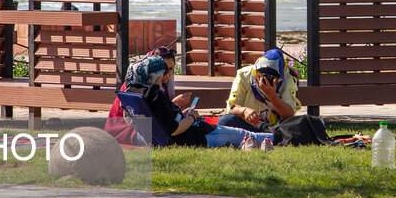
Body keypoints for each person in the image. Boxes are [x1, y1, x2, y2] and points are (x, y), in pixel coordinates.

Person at [108, 55, 273, 149]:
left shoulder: (133, 93)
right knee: (244, 135)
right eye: (162, 74)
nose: (165, 77)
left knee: (238, 133)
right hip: (193, 137)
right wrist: (192, 117)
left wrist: (181, 114)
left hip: (154, 139)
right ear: (155, 75)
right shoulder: (154, 94)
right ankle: (280, 138)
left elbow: (163, 121)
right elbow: (174, 130)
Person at [218, 49, 301, 133]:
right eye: (261, 76)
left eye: (271, 78)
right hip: (247, 126)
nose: (264, 80)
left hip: (274, 129)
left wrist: (272, 96)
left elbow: (289, 115)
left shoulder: (288, 80)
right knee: (225, 121)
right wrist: (245, 111)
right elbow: (231, 108)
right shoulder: (244, 75)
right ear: (256, 71)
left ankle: (266, 138)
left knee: (296, 126)